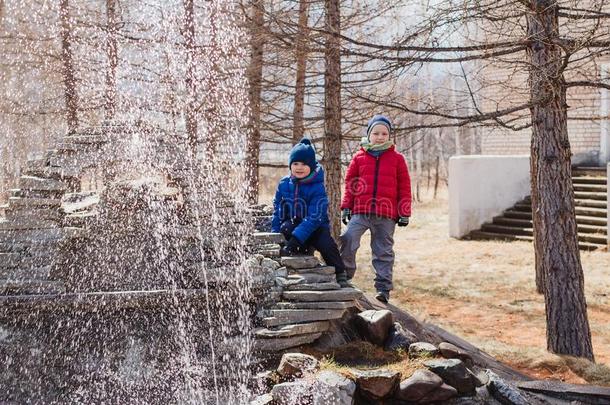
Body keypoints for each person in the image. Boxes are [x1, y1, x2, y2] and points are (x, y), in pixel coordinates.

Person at [340, 114, 412, 303]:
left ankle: (383, 289)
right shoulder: (359, 157)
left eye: (384, 133)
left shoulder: (397, 159)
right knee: (348, 239)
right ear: (369, 134)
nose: (380, 137)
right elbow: (350, 184)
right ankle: (345, 277)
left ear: (389, 136)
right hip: (361, 211)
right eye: (376, 133)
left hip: (386, 214)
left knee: (383, 251)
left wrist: (404, 212)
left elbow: (404, 187)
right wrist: (346, 206)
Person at [271, 138, 350, 288]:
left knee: (326, 244)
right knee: (285, 228)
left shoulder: (317, 187)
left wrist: (297, 237)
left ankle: (340, 273)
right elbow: (278, 211)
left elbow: (315, 217)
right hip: (295, 223)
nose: (299, 167)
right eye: (295, 163)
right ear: (290, 165)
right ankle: (301, 253)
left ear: (312, 166)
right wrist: (274, 235)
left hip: (316, 227)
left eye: (304, 164)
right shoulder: (284, 184)